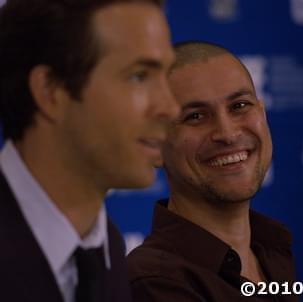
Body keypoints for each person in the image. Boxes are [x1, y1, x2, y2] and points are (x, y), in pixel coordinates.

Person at [0, 0, 178, 301]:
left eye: (166, 76)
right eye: (139, 76)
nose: (171, 108)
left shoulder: (107, 249)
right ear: (50, 91)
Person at [128, 41, 298, 301]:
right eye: (195, 116)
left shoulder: (271, 250)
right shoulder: (154, 283)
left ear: (262, 114)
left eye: (239, 106)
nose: (227, 134)